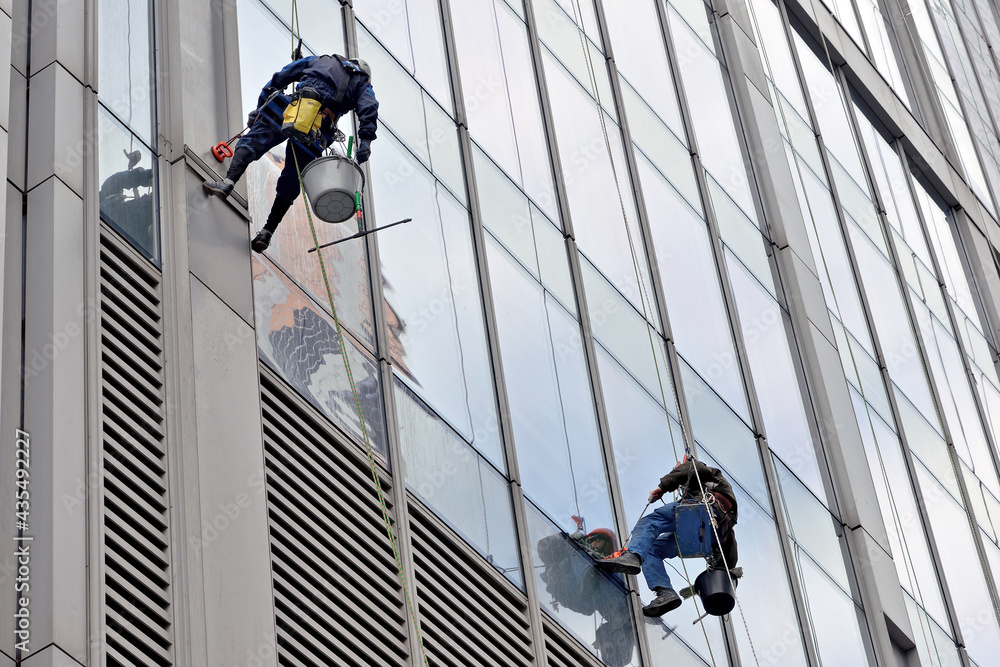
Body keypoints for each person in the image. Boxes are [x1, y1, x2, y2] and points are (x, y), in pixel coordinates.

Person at [204, 54, 379, 253]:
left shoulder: (320, 60)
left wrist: (260, 107)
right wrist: (365, 140)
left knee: (252, 142)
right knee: (292, 179)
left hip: (293, 108)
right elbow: (369, 107)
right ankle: (267, 232)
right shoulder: (362, 81)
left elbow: (281, 77)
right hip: (319, 127)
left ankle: (228, 182)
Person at [597, 455, 739, 617]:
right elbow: (730, 543)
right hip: (706, 537)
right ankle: (665, 592)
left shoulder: (706, 473)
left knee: (651, 521)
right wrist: (725, 570)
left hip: (700, 514)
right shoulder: (723, 517)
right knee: (651, 551)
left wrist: (663, 487)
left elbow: (692, 468)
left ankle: (632, 556)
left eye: (677, 471)